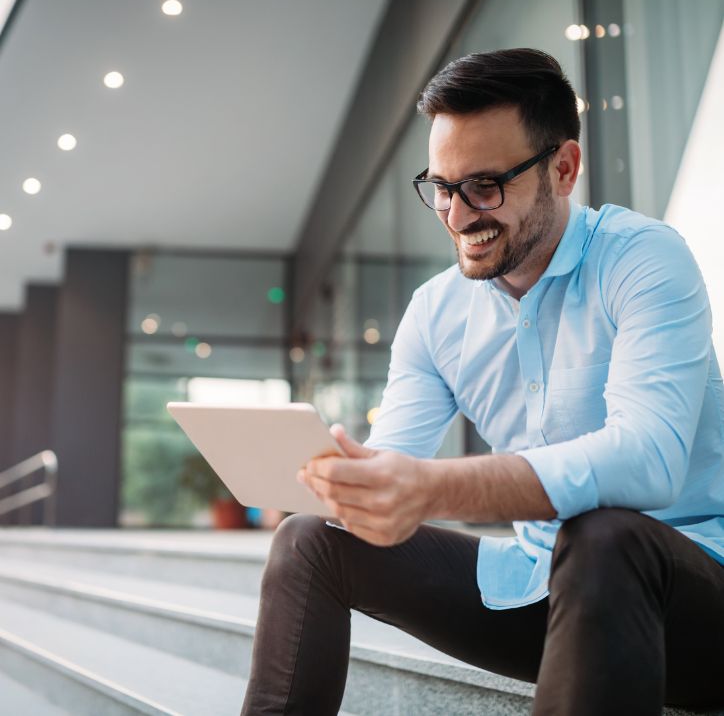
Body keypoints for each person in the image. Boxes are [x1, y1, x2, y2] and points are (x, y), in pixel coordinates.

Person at [241, 48, 724, 715]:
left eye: (485, 186)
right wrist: (343, 485)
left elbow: (648, 460)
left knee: (605, 533)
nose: (458, 215)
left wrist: (431, 487)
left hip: (692, 601)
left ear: (564, 168)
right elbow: (397, 469)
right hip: (540, 589)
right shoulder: (437, 313)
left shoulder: (643, 259)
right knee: (309, 540)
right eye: (442, 186)